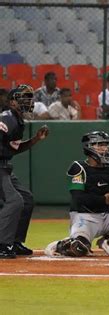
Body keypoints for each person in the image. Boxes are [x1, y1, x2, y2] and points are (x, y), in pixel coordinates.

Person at [44, 131, 109, 257]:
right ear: (89, 147)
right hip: (84, 217)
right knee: (79, 249)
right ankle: (60, 245)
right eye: (99, 144)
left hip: (107, 215)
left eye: (105, 144)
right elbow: (78, 197)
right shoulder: (79, 167)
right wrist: (105, 198)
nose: (104, 148)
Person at [0, 84, 49, 258]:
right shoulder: (7, 118)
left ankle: (15, 242)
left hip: (4, 166)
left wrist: (35, 140)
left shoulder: (17, 120)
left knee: (26, 199)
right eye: (24, 97)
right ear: (12, 102)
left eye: (29, 98)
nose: (28, 101)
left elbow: (13, 149)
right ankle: (2, 244)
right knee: (14, 201)